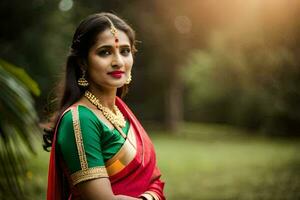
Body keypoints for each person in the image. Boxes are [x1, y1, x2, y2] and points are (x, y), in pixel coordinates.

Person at [44, 12, 165, 200]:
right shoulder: (79, 120)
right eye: (105, 52)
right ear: (83, 62)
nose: (118, 61)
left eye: (125, 51)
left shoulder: (120, 111)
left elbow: (155, 181)